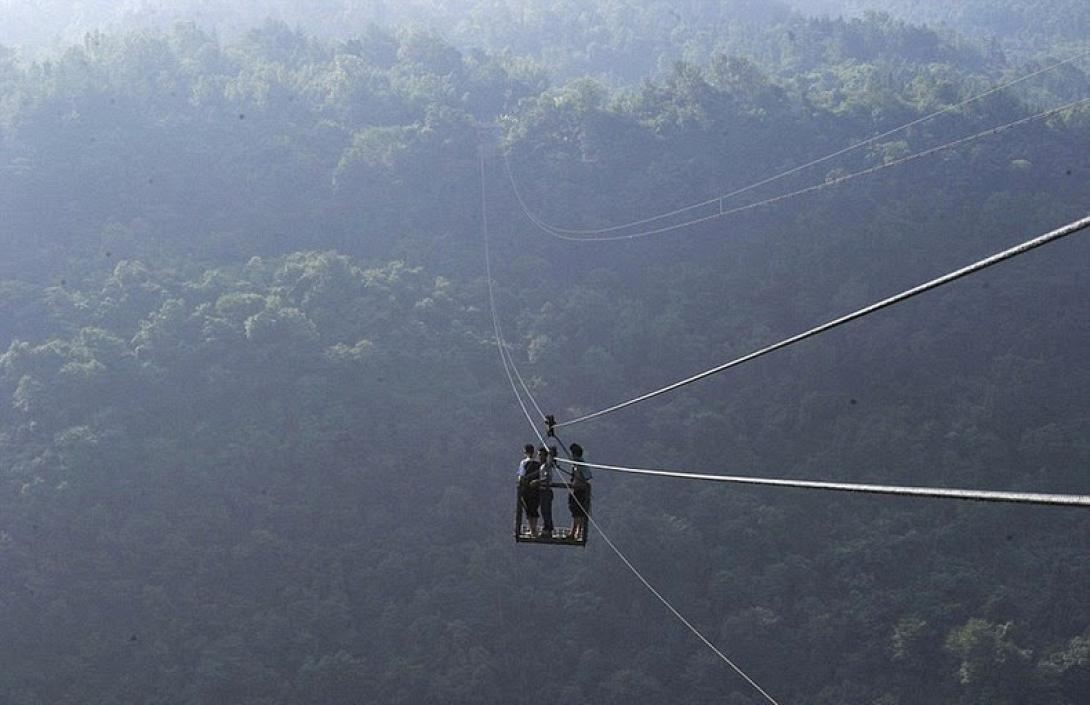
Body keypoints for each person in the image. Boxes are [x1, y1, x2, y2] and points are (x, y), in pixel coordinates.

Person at [567, 443, 592, 541]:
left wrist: (573, 486)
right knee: (579, 513)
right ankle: (578, 532)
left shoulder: (577, 465)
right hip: (582, 491)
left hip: (578, 491)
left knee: (576, 512)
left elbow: (578, 479)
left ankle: (574, 532)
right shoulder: (582, 464)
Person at [516, 444, 540, 537]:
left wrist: (520, 482)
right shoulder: (538, 463)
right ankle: (535, 529)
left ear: (525, 452)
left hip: (527, 489)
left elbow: (521, 476)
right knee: (535, 508)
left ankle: (532, 530)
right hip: (537, 489)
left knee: (528, 510)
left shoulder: (523, 463)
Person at [536, 446, 557, 538]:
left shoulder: (546, 466)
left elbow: (547, 478)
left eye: (540, 455)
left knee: (546, 511)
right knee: (544, 511)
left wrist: (537, 482)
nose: (539, 456)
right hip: (543, 491)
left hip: (546, 491)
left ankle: (547, 529)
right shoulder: (543, 466)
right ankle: (548, 528)